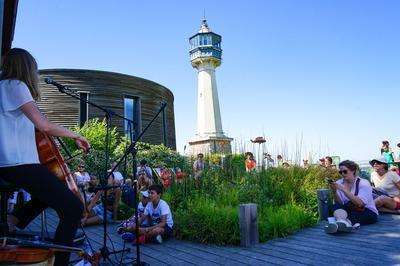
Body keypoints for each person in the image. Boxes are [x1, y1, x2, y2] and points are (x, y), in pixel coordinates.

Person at [0, 48, 90, 265]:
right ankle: (60, 263)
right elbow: (43, 125)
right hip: (19, 163)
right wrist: (76, 134)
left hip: (7, 164)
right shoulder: (16, 85)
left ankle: (13, 220)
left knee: (50, 192)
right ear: (26, 68)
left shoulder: (3, 87)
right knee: (73, 208)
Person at [325, 160, 378, 234]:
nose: (342, 174)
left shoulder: (363, 183)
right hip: (349, 209)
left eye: (345, 171)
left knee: (355, 215)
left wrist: (343, 189)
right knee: (335, 206)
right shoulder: (339, 182)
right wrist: (335, 191)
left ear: (353, 171)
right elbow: (340, 203)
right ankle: (341, 222)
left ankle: (339, 225)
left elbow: (360, 203)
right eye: (340, 172)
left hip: (365, 210)